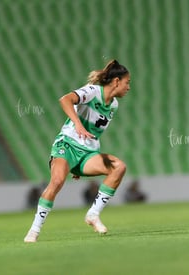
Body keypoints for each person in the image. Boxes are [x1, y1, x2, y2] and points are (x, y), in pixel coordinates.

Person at [24, 59, 130, 242]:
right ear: (116, 81)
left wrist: (85, 160)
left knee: (118, 167)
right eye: (127, 82)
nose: (128, 87)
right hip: (67, 145)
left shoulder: (113, 105)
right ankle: (34, 230)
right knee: (57, 181)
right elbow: (65, 99)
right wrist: (78, 125)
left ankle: (93, 214)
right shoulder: (92, 91)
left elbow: (95, 132)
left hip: (87, 153)